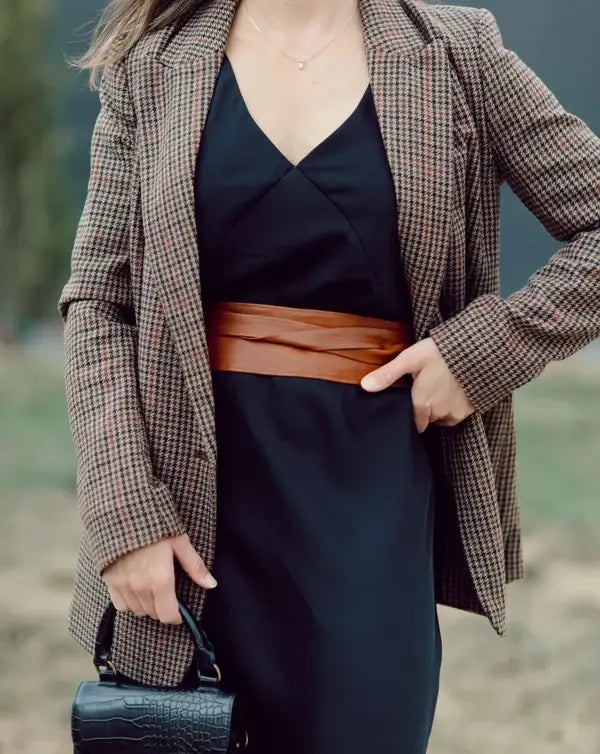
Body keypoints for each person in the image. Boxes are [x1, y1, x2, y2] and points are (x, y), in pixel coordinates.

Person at [58, 0, 600, 752]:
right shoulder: (151, 63)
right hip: (187, 525)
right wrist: (125, 515)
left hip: (371, 511)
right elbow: (99, 301)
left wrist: (480, 354)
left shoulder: (455, 51)